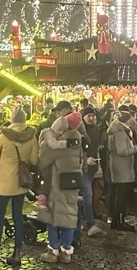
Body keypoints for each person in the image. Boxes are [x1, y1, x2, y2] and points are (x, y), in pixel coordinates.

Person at [0, 107, 38, 267]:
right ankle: (17, 253)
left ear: (13, 119)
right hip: (21, 184)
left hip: (3, 182)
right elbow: (35, 161)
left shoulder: (4, 135)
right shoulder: (32, 137)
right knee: (18, 215)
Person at [37, 113, 84, 264]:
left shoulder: (62, 142)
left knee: (53, 216)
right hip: (73, 183)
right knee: (69, 215)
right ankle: (66, 251)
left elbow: (43, 158)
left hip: (57, 184)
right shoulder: (77, 140)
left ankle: (53, 250)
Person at [37, 112, 81, 210]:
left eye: (62, 131)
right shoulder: (48, 133)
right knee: (46, 181)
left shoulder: (56, 133)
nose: (60, 133)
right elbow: (53, 145)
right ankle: (41, 199)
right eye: (59, 130)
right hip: (45, 162)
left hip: (50, 161)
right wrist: (67, 143)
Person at [107, 111, 137, 231]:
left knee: (120, 195)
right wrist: (134, 149)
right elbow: (121, 151)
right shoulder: (120, 133)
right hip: (122, 168)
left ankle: (117, 220)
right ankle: (119, 221)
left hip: (121, 168)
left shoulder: (119, 131)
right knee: (121, 197)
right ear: (128, 120)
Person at [79, 107, 104, 236]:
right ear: (83, 117)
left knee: (85, 194)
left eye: (93, 116)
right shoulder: (79, 130)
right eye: (89, 116)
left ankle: (82, 219)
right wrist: (85, 159)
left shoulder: (96, 129)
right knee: (87, 194)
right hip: (83, 167)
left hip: (92, 166)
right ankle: (89, 223)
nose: (92, 118)